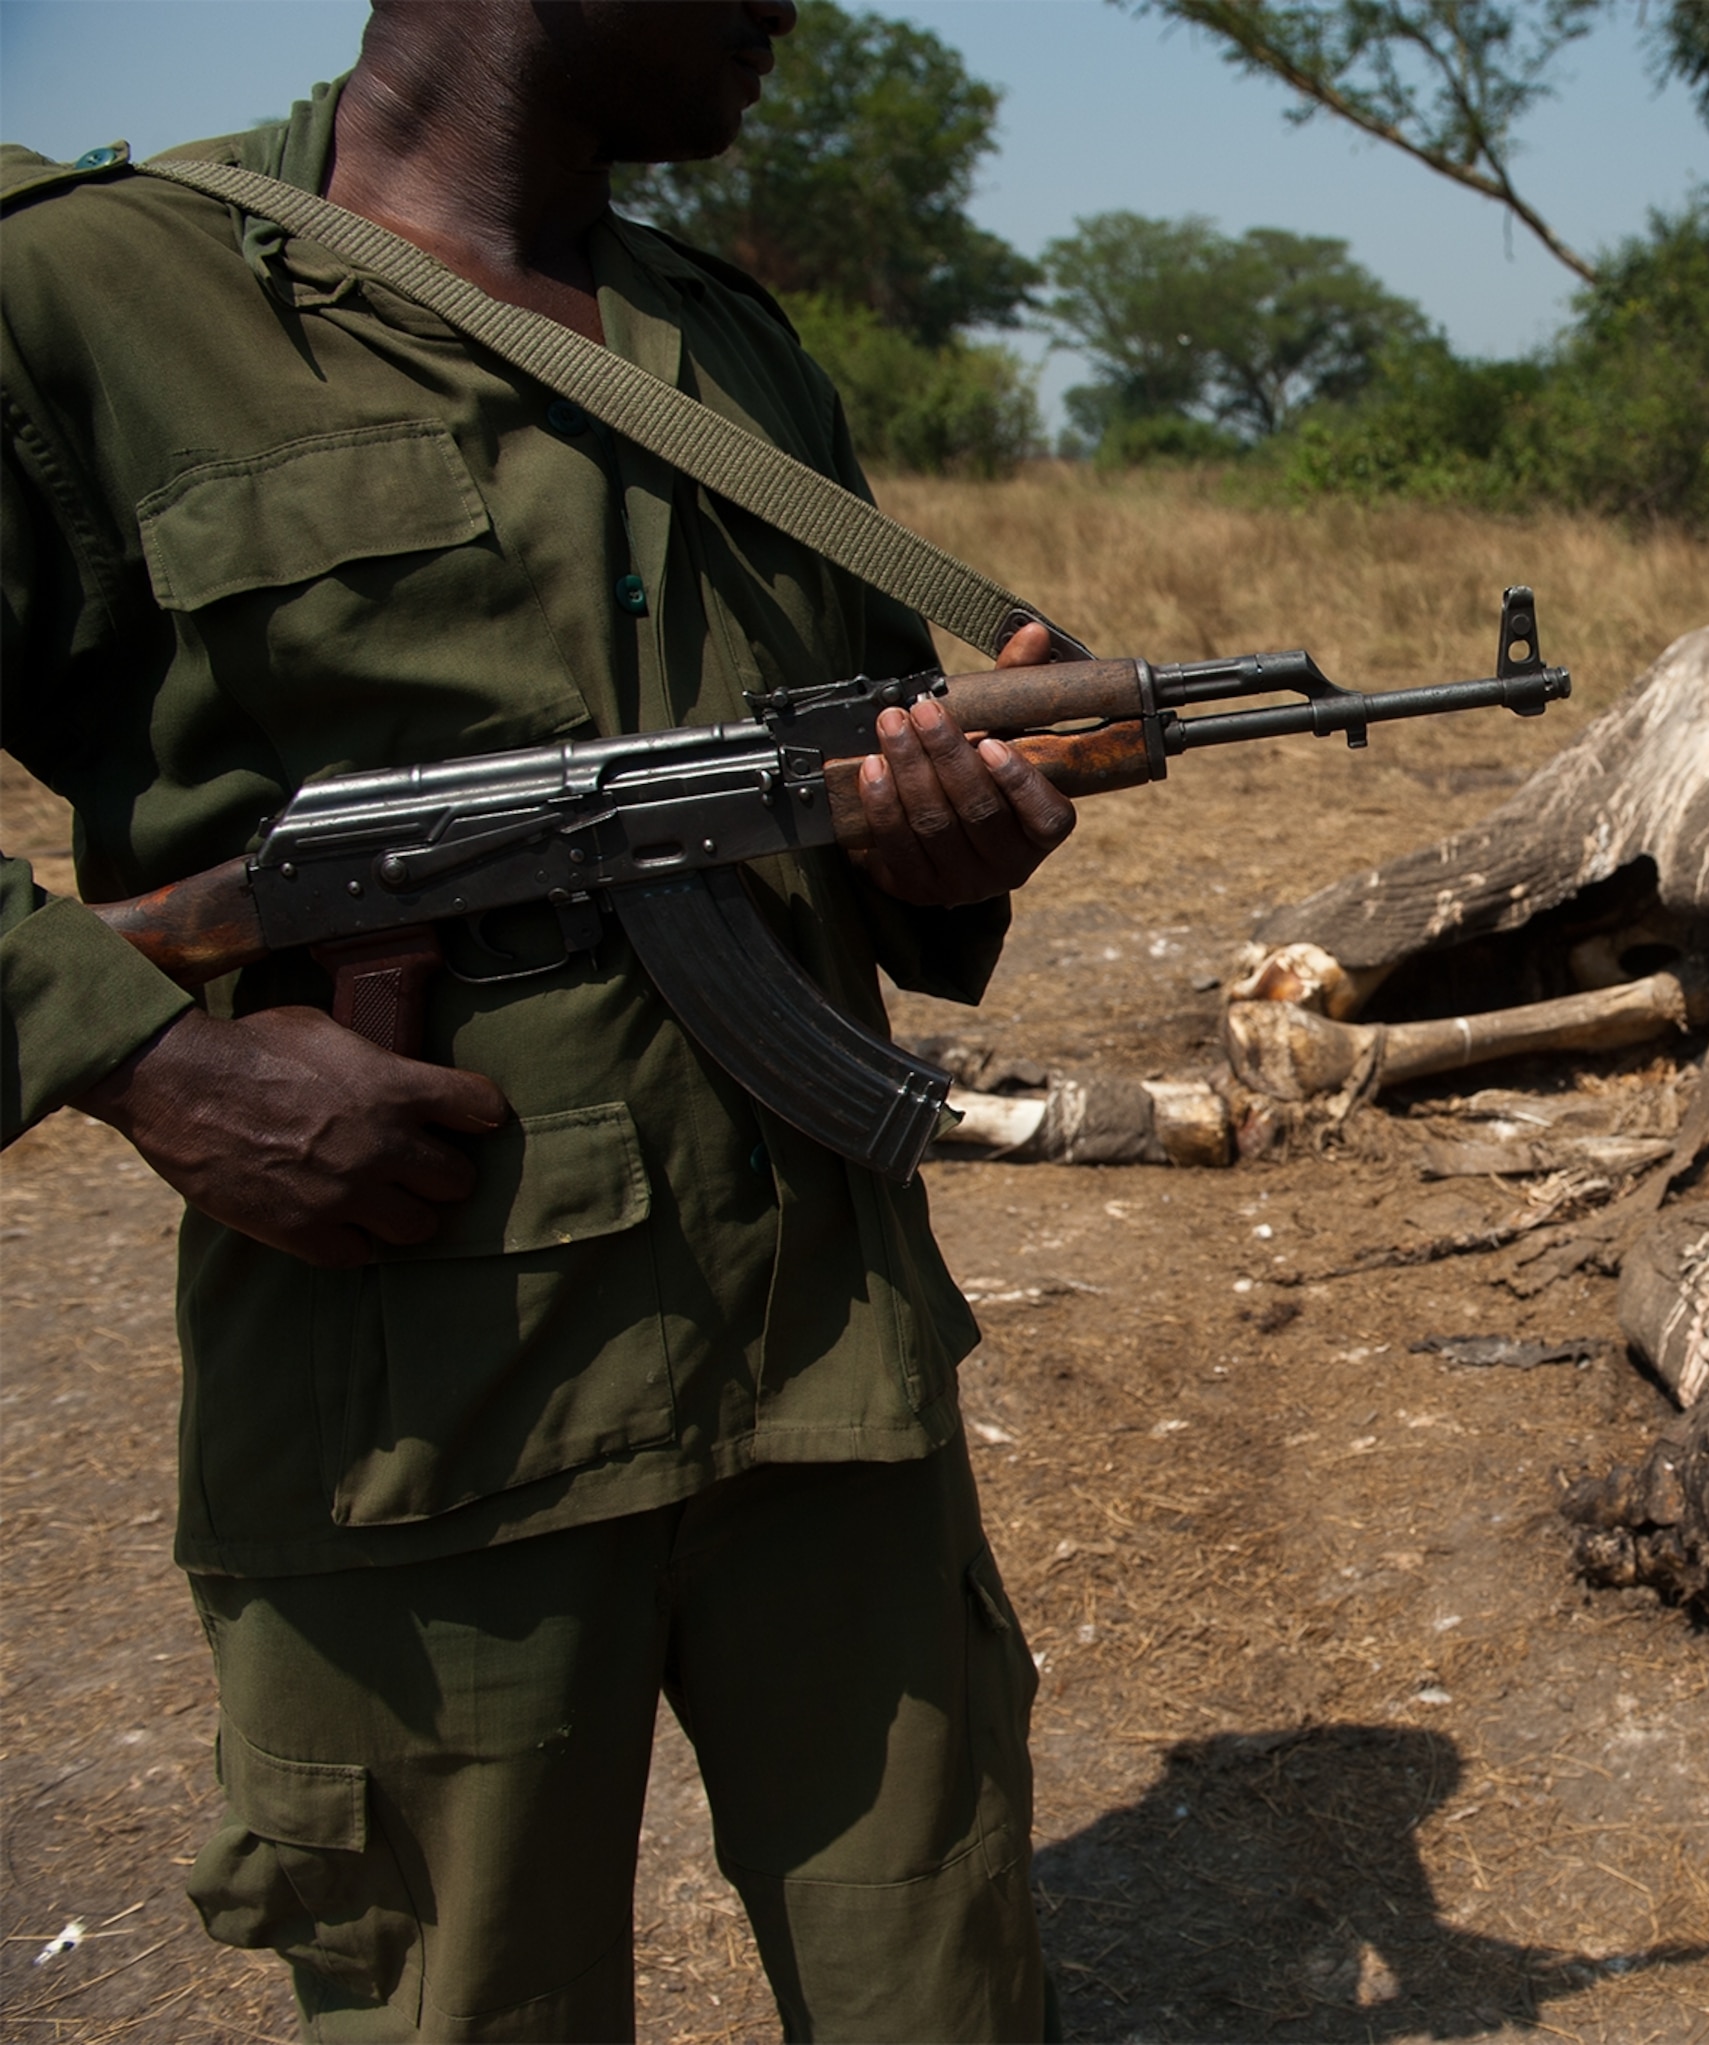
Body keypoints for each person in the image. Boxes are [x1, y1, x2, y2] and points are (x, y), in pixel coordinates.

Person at [0, 4, 1070, 2035]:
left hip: (825, 1377)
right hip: (418, 1409)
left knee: (940, 1990)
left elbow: (849, 799)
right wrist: (150, 1062)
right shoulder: (90, 303)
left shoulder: (728, 350)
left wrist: (943, 853)